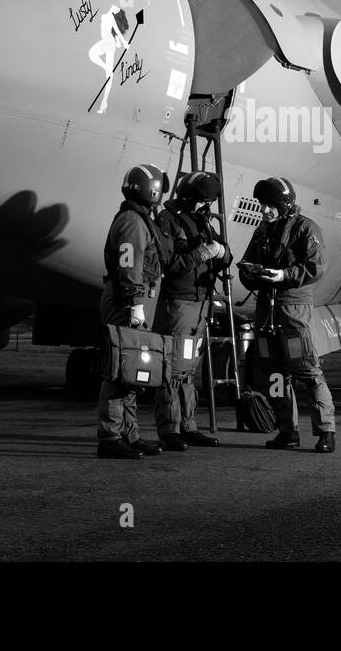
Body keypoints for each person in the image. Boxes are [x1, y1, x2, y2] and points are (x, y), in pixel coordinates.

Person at [237, 177, 335, 453]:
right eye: (262, 205)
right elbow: (247, 265)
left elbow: (316, 267)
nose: (264, 210)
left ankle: (326, 432)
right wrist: (251, 272)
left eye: (270, 205)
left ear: (284, 204)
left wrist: (284, 274)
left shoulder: (306, 228)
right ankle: (287, 431)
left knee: (307, 370)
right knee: (275, 374)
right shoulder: (263, 231)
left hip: (293, 310)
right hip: (267, 311)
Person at [95, 163, 170, 460]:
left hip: (132, 299)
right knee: (118, 371)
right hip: (127, 302)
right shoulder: (132, 223)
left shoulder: (137, 218)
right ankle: (110, 437)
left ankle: (130, 434)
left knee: (131, 372)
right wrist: (135, 302)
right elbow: (129, 266)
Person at [153, 171, 231, 451]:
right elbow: (168, 262)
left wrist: (222, 253)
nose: (203, 207)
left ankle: (188, 426)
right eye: (201, 202)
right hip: (179, 303)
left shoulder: (203, 220)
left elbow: (225, 252)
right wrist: (202, 254)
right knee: (173, 368)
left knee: (188, 370)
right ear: (189, 198)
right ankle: (170, 429)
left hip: (200, 305)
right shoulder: (168, 220)